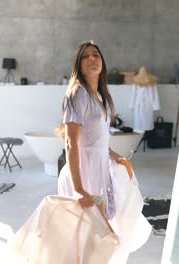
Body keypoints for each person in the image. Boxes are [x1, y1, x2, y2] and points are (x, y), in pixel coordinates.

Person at [57, 40, 125, 219]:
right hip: (83, 172)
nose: (92, 59)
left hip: (98, 167)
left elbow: (94, 135)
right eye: (85, 56)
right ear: (78, 64)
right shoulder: (78, 93)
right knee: (86, 233)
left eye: (95, 54)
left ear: (102, 61)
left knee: (97, 233)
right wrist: (79, 189)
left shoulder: (100, 95)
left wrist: (111, 153)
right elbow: (71, 143)